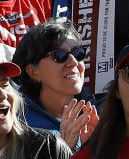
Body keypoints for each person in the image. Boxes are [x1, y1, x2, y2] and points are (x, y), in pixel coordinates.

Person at [11, 19, 97, 150]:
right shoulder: (17, 126)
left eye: (78, 53)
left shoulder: (102, 112)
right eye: (60, 55)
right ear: (33, 72)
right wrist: (65, 148)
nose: (73, 62)